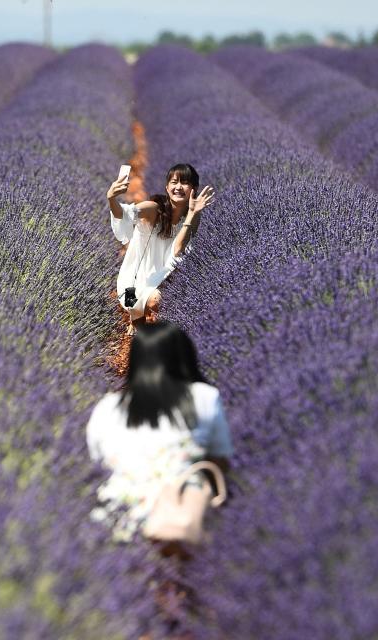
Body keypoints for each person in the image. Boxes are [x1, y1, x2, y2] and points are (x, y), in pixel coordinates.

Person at [86, 321, 232, 542]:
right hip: (181, 516)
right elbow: (220, 460)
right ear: (184, 357)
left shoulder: (106, 408)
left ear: (135, 361)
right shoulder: (203, 397)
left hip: (119, 516)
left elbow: (97, 464)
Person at [106, 163, 214, 334]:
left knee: (161, 302)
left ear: (194, 188)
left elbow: (178, 251)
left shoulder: (193, 216)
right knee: (142, 304)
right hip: (133, 282)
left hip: (165, 277)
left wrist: (193, 214)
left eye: (185, 182)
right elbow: (124, 214)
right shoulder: (153, 209)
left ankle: (157, 327)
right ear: (167, 187)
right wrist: (112, 199)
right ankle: (136, 316)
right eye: (174, 182)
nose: (179, 187)